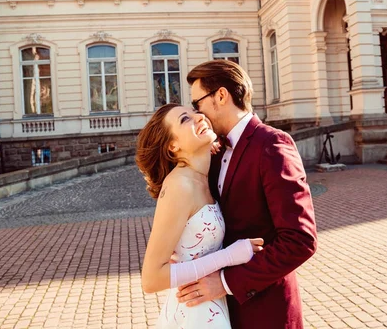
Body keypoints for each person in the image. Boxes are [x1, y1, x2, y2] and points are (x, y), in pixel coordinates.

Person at [176, 59, 317, 329]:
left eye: (198, 104)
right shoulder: (214, 152)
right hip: (220, 312)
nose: (198, 114)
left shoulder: (272, 144)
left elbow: (300, 240)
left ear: (220, 96)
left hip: (266, 311)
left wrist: (227, 282)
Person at [136, 103, 264, 329]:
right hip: (195, 311)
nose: (199, 117)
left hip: (211, 304)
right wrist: (229, 256)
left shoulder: (202, 176)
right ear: (172, 146)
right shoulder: (179, 186)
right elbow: (151, 279)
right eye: (185, 120)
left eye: (195, 112)